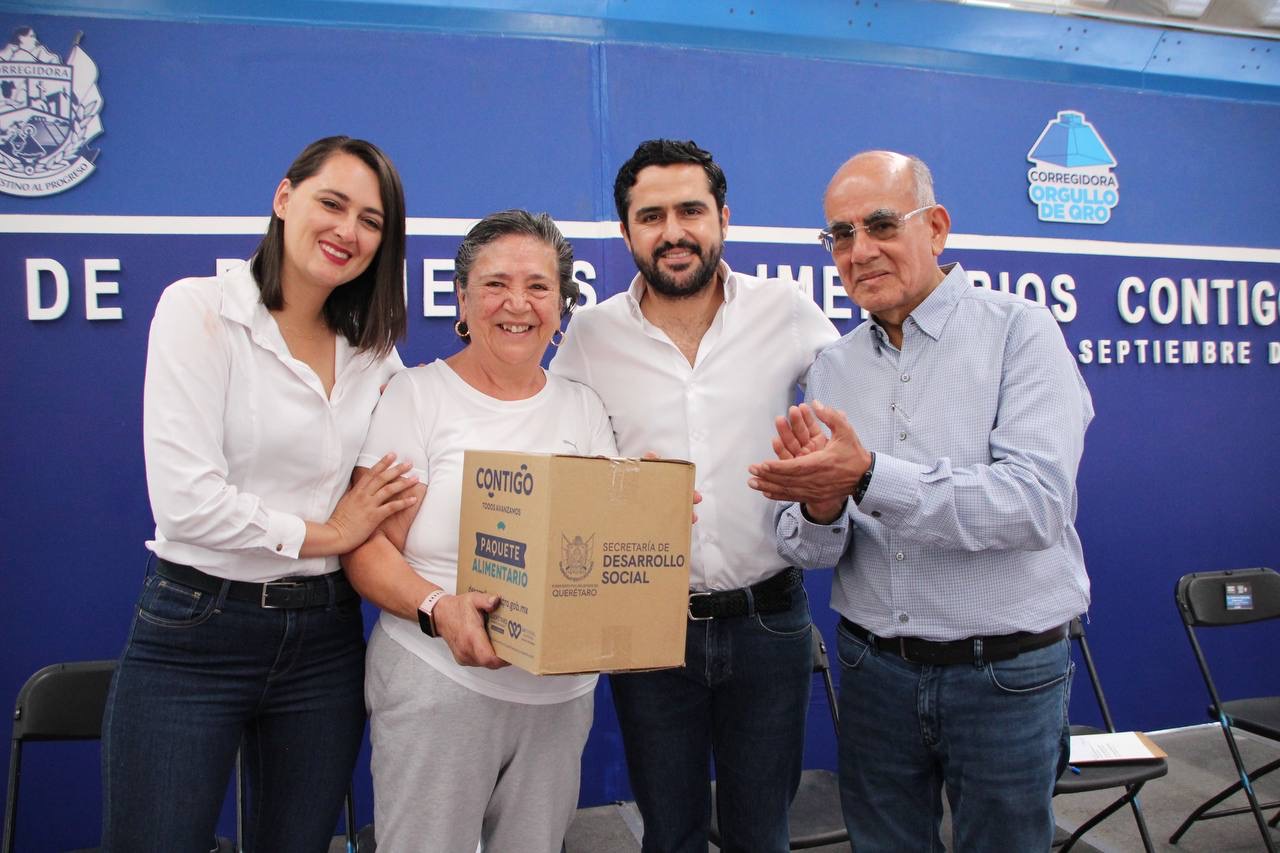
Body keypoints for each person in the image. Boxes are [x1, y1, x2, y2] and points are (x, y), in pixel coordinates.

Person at [748, 150, 1093, 852]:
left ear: (935, 227)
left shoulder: (1020, 332)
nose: (859, 251)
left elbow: (1035, 504)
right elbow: (816, 550)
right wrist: (820, 507)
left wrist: (870, 476)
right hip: (875, 674)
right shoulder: (833, 367)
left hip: (1002, 677)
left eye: (880, 225)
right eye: (840, 235)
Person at [101, 136, 415, 853]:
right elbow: (187, 503)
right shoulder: (199, 309)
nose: (348, 230)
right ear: (283, 198)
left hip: (324, 641)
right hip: (197, 629)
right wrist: (331, 533)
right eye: (332, 203)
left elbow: (423, 455)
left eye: (371, 220)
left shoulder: (373, 352)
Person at [549, 139, 839, 853]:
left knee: (761, 834)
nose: (673, 232)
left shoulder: (786, 311)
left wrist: (824, 473)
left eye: (690, 211)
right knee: (669, 832)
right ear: (627, 233)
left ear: (723, 219)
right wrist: (613, 492)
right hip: (647, 622)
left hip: (769, 619)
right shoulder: (590, 334)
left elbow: (854, 420)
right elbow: (560, 459)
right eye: (651, 216)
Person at [343, 209, 619, 853]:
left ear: (561, 304)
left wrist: (648, 510)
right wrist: (439, 609)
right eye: (495, 284)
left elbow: (601, 546)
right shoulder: (417, 397)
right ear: (463, 300)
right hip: (439, 686)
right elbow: (367, 547)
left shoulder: (582, 406)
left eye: (538, 286)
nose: (517, 304)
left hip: (559, 699)